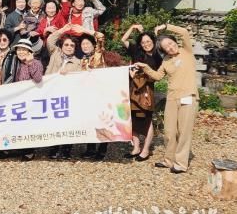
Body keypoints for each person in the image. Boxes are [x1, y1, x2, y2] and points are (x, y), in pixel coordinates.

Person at [135, 24, 198, 174]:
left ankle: (181, 163)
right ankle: (169, 160)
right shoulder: (166, 61)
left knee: (183, 132)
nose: (170, 47)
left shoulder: (186, 51)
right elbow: (157, 76)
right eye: (166, 47)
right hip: (172, 99)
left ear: (174, 41)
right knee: (169, 131)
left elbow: (184, 32)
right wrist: (145, 67)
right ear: (163, 51)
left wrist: (166, 26)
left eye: (170, 43)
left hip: (188, 97)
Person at [77, 28, 124, 160]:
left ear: (93, 45)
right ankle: (90, 148)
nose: (85, 46)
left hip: (102, 94)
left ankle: (102, 149)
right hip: (88, 95)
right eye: (83, 44)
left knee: (103, 120)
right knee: (90, 120)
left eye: (87, 43)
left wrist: (84, 30)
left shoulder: (98, 55)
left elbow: (101, 37)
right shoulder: (83, 60)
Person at [122, 24, 162, 162]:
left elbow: (158, 75)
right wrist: (132, 27)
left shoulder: (158, 56)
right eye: (143, 42)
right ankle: (136, 148)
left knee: (147, 120)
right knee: (132, 119)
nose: (146, 44)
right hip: (132, 88)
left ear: (153, 41)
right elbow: (123, 40)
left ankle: (146, 150)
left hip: (146, 90)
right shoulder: (136, 52)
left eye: (148, 41)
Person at [45, 24, 81, 159]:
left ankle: (66, 150)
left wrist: (68, 76)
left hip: (68, 96)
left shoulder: (78, 63)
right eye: (66, 44)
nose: (69, 47)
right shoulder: (55, 53)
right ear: (62, 46)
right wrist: (64, 29)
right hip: (52, 93)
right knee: (53, 122)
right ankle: (53, 148)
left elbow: (79, 81)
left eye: (72, 45)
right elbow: (50, 40)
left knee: (68, 123)